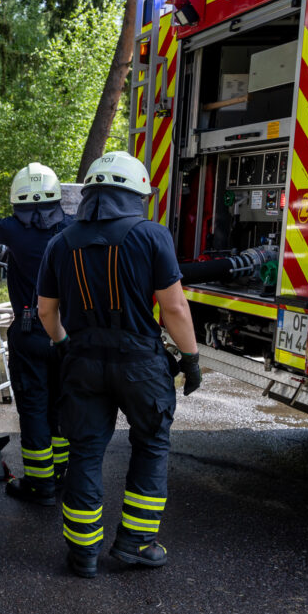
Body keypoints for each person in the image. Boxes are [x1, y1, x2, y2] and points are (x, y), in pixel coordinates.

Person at [36, 151, 201, 579]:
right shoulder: (152, 236)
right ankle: (135, 544)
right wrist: (191, 358)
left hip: (83, 363)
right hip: (140, 365)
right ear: (136, 194)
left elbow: (45, 312)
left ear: (89, 194)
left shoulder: (60, 242)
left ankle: (83, 553)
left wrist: (62, 345)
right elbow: (175, 308)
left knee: (85, 452)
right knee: (150, 446)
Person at [0, 163, 73, 506]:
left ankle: (40, 485)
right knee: (60, 406)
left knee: (34, 408)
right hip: (65, 335)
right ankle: (60, 473)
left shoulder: (10, 229)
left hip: (29, 331)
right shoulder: (71, 227)